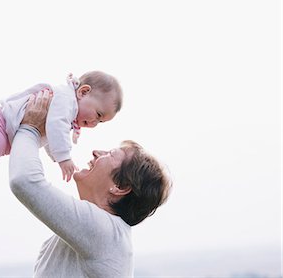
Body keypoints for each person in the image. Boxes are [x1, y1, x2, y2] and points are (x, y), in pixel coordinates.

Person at [9, 90, 172, 277]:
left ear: (120, 187)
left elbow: (24, 181)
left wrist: (30, 128)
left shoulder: (104, 232)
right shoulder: (99, 233)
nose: (96, 152)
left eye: (110, 154)